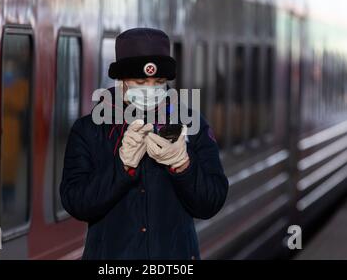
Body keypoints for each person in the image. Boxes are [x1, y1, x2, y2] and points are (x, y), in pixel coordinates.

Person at [60, 27, 229, 260]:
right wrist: (121, 168)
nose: (150, 90)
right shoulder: (88, 131)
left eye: (158, 81)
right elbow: (76, 202)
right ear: (122, 82)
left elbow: (211, 202)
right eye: (140, 81)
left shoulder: (192, 124)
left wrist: (184, 166)